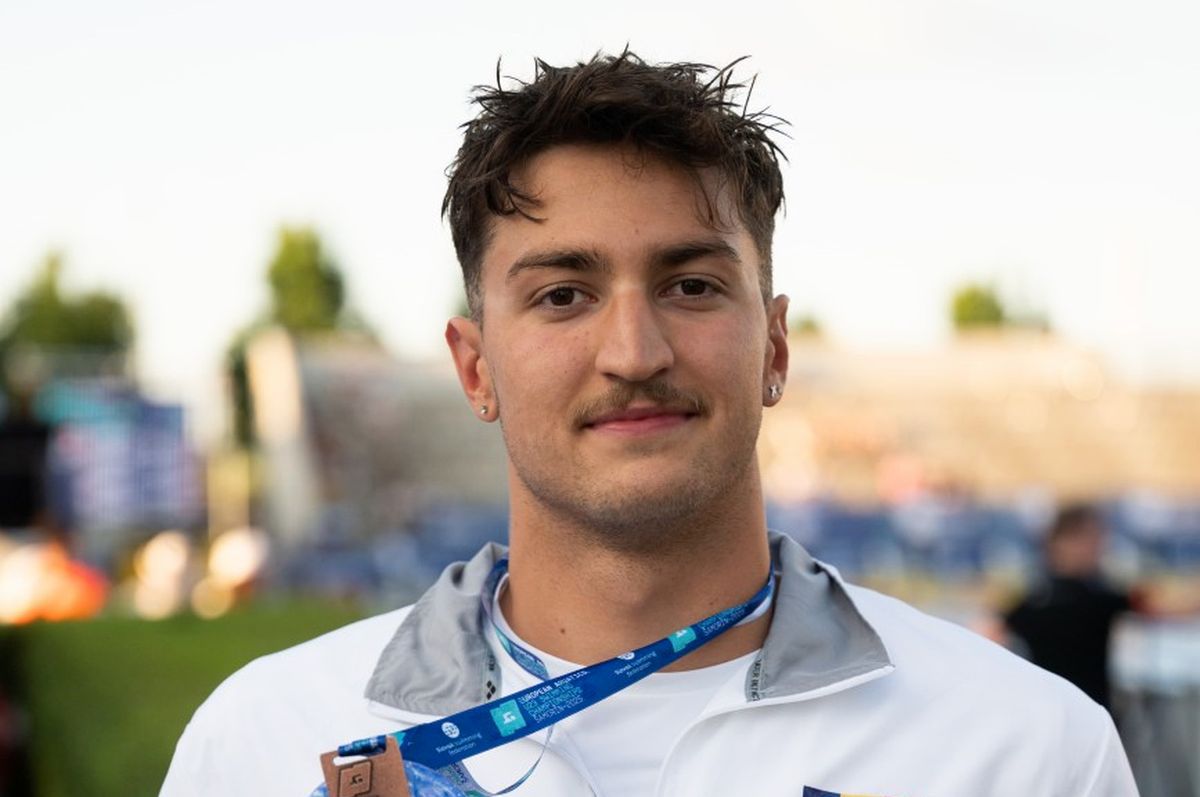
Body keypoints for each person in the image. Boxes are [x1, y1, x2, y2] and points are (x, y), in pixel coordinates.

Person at [162, 52, 1137, 796]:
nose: (634, 352)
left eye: (692, 284)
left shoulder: (1023, 749)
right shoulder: (263, 742)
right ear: (475, 367)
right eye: (562, 295)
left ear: (775, 347)